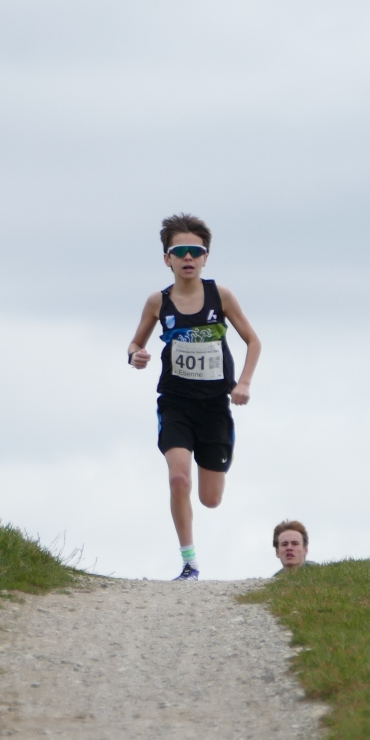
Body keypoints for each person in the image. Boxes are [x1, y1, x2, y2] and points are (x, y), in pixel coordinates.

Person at [127, 213, 261, 581]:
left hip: (215, 405)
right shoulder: (158, 302)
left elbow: (254, 341)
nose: (188, 257)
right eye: (180, 251)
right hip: (175, 403)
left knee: (210, 499)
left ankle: (217, 454)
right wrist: (135, 356)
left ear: (205, 258)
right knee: (178, 480)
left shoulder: (221, 296)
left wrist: (243, 383)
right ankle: (189, 562)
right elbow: (135, 343)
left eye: (196, 251)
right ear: (167, 259)